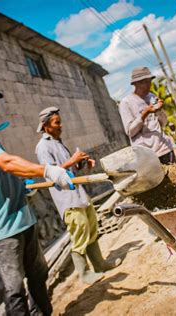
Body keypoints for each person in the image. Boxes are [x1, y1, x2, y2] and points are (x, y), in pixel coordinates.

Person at [0, 85, 74, 316]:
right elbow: (8, 163)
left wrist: (22, 186)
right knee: (14, 289)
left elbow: (1, 174)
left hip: (21, 217)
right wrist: (47, 171)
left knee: (38, 274)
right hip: (1, 227)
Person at [35, 107, 121, 285]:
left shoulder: (58, 142)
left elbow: (70, 170)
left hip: (79, 195)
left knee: (91, 228)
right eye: (57, 123)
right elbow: (50, 173)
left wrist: (81, 164)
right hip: (67, 200)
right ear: (45, 126)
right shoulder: (43, 147)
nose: (61, 126)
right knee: (79, 232)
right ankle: (84, 273)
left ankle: (100, 264)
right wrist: (72, 160)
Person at [118, 67, 176, 165]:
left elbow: (163, 123)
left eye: (149, 81)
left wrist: (159, 110)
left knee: (175, 179)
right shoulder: (126, 103)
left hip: (165, 149)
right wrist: (145, 113)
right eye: (144, 82)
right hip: (147, 156)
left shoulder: (152, 97)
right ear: (136, 84)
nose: (148, 85)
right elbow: (130, 131)